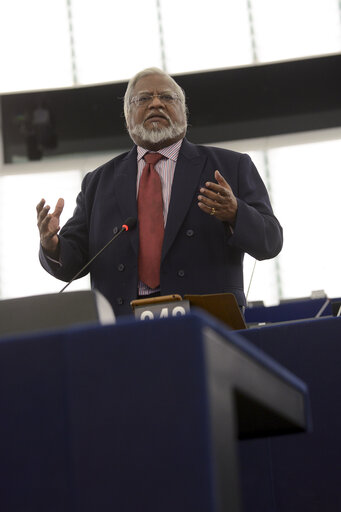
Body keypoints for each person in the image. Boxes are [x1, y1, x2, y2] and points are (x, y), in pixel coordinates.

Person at [37, 67, 283, 317]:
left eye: (167, 97)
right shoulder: (97, 183)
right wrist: (52, 245)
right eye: (143, 99)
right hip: (122, 324)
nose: (156, 103)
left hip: (207, 320)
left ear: (184, 112)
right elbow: (72, 263)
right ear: (127, 116)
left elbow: (270, 241)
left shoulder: (231, 166)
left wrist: (236, 213)